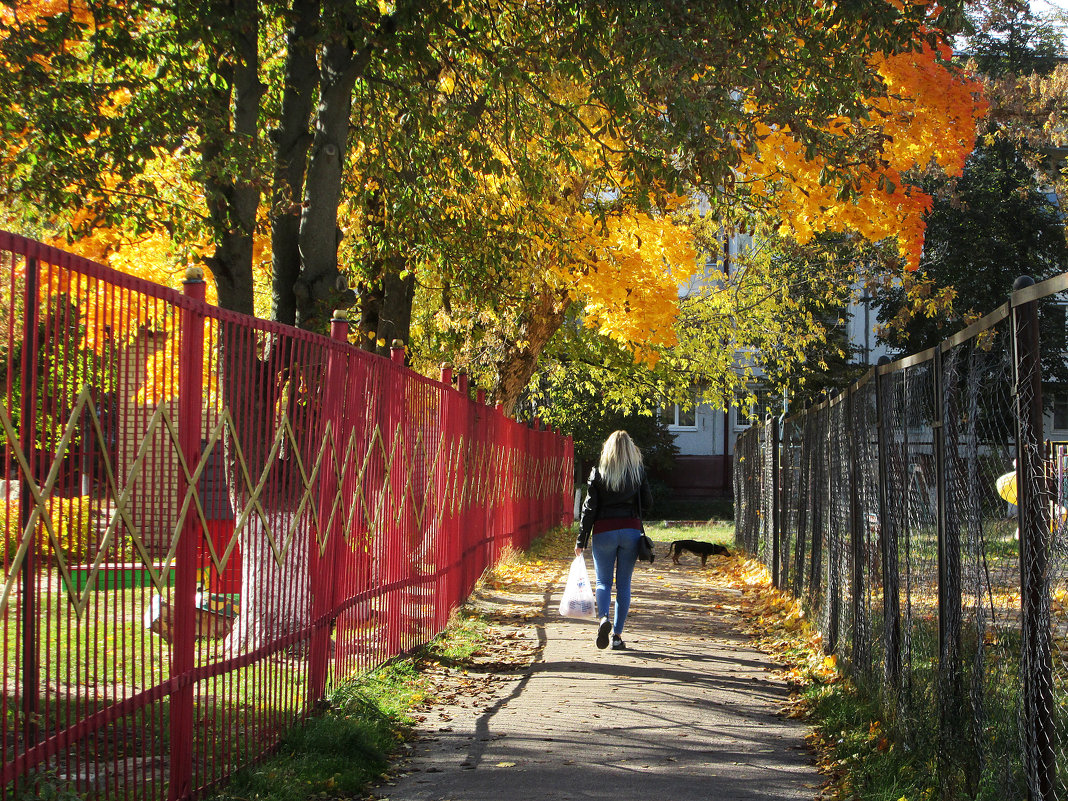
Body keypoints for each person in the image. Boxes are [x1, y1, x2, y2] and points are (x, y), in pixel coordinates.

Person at [575, 430, 653, 650]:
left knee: (603, 582)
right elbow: (648, 503)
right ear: (630, 449)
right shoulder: (638, 472)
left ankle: (603, 620)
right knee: (624, 585)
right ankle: (617, 636)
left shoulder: (598, 471)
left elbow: (589, 508)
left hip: (604, 531)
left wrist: (581, 540)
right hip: (630, 530)